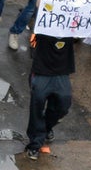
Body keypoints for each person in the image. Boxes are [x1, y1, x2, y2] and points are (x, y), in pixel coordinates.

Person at [24, 31, 74, 160]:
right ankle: (35, 144)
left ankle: (45, 128)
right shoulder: (43, 25)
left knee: (63, 105)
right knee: (37, 106)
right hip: (42, 71)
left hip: (62, 72)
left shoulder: (72, 26)